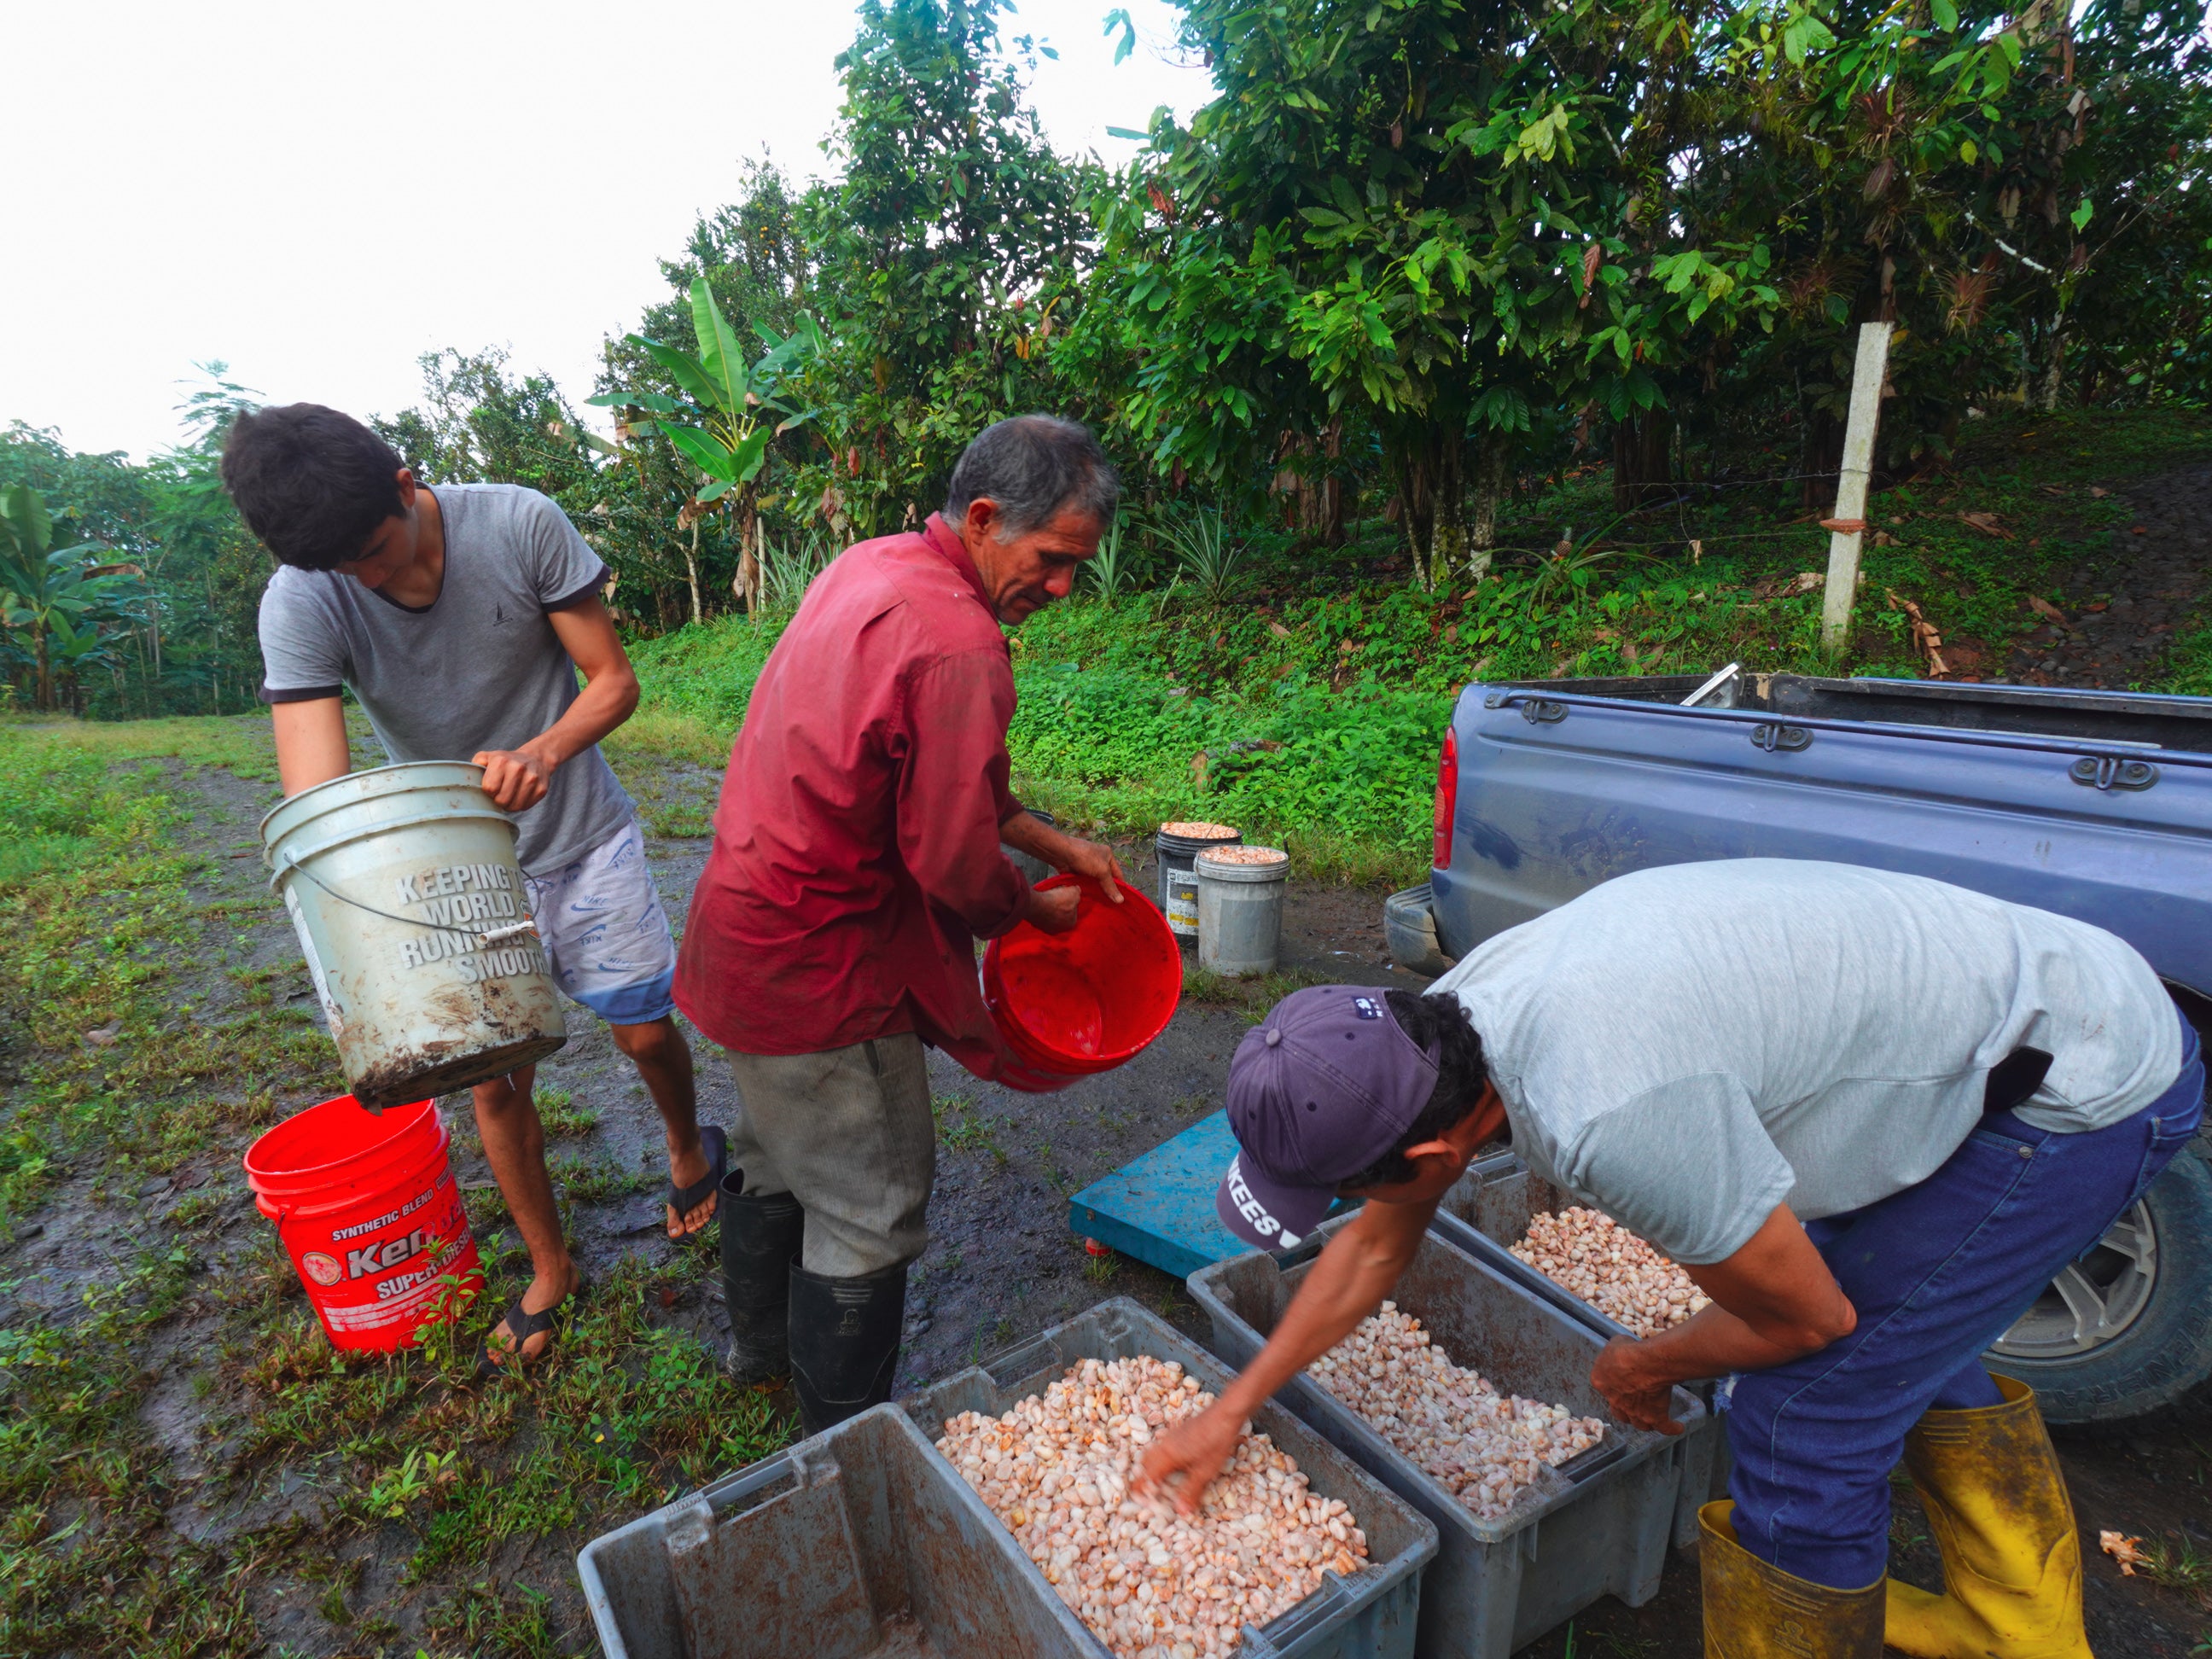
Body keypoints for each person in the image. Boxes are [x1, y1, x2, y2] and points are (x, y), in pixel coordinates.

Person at [1144, 859, 2202, 1659]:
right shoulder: (1434, 1033)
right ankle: (2013, 1620)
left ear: (1433, 1156)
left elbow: (1810, 1321)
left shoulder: (1607, 1114)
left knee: (1805, 1410)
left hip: (2081, 1079)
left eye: (1346, 1188)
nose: (1349, 1212)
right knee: (1898, 1317)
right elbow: (1377, 1246)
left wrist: (1642, 1363)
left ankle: (2020, 1631)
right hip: (1992, 1015)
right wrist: (1233, 1409)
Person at [230, 403, 724, 1371]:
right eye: (342, 569)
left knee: (642, 1030)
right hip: (455, 874)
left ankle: (687, 1147)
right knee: (491, 1080)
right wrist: (368, 980)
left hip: (581, 832)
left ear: (405, 483)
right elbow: (321, 809)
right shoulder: (304, 598)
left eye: (376, 550)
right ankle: (551, 1267)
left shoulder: (518, 522)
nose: (369, 579)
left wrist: (543, 751)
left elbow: (613, 681)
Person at [675, 414, 1129, 1433]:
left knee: (774, 1150)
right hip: (827, 966)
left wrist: (1060, 844)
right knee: (871, 1207)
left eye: (1077, 567)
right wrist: (1033, 910)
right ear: (985, 519)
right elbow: (953, 858)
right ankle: (847, 1447)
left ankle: (760, 1355)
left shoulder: (873, 567)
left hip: (741, 928)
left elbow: (940, 779)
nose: (1063, 588)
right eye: (1054, 560)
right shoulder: (959, 644)